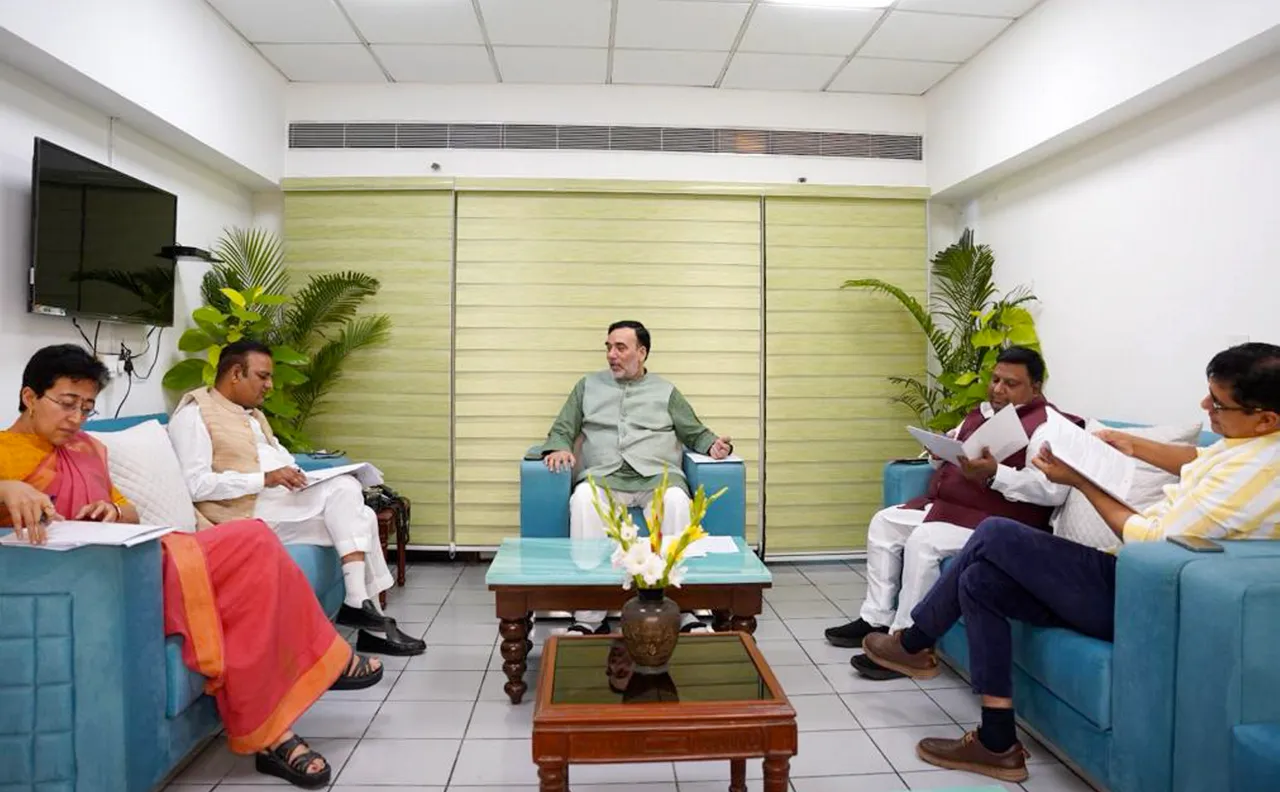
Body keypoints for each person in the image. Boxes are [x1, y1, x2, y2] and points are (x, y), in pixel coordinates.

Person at [860, 343, 1280, 783]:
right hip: (1130, 577)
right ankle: (997, 741)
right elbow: (1199, 459)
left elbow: (1151, 543)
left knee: (995, 534)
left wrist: (1082, 480)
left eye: (1217, 403)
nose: (1205, 406)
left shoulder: (1258, 473)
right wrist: (1132, 444)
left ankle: (914, 642)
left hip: (1139, 590)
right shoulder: (1250, 443)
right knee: (981, 581)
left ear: (1266, 417)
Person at [0, 344, 386, 789]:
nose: (77, 419)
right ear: (30, 396)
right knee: (251, 545)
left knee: (256, 542)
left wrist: (109, 508)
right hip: (101, 584)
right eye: (67, 404)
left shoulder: (88, 448)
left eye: (86, 408)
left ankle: (279, 723)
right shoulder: (7, 452)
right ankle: (302, 698)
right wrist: (8, 487)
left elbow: (129, 514)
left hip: (140, 556)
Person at [825, 346, 1080, 680]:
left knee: (925, 539)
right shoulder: (981, 413)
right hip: (955, 509)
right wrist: (937, 452)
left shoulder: (1048, 428)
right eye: (995, 379)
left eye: (1010, 384)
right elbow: (954, 451)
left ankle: (906, 646)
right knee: (885, 522)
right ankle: (876, 618)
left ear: (1036, 388)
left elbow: (1051, 490)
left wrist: (994, 474)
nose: (998, 389)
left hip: (1001, 523)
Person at [168, 339, 423, 657]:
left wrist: (297, 475)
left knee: (362, 514)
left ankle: (369, 621)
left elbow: (279, 459)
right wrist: (264, 478)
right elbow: (195, 485)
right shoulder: (194, 416)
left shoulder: (252, 415)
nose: (270, 386)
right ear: (235, 373)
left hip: (278, 504)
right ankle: (360, 607)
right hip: (243, 514)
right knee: (345, 491)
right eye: (263, 377)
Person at [541, 320, 733, 634]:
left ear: (641, 352)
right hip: (603, 476)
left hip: (657, 477)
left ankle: (683, 611)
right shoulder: (587, 386)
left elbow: (694, 431)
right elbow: (563, 428)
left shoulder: (666, 391)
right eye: (608, 347)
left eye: (620, 347)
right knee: (583, 501)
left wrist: (714, 445)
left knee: (677, 504)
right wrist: (560, 447)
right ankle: (589, 617)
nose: (611, 355)